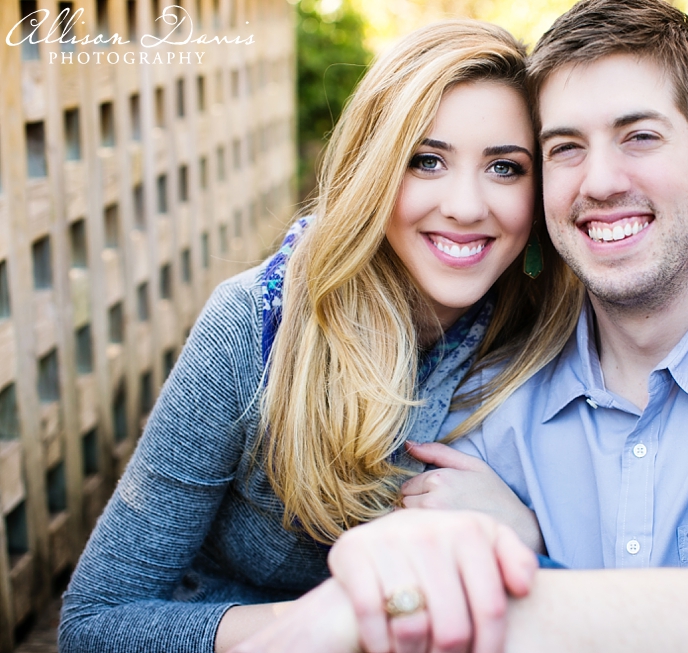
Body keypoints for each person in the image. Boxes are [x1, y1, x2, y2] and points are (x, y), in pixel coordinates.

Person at [232, 1, 688, 652]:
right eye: (566, 147)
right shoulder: (486, 403)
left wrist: (532, 562)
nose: (599, 180)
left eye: (639, 136)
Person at [57, 20, 583, 653]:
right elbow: (93, 622)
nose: (467, 205)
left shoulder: (550, 335)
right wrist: (340, 621)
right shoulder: (255, 329)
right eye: (426, 161)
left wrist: (529, 533)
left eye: (505, 167)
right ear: (374, 167)